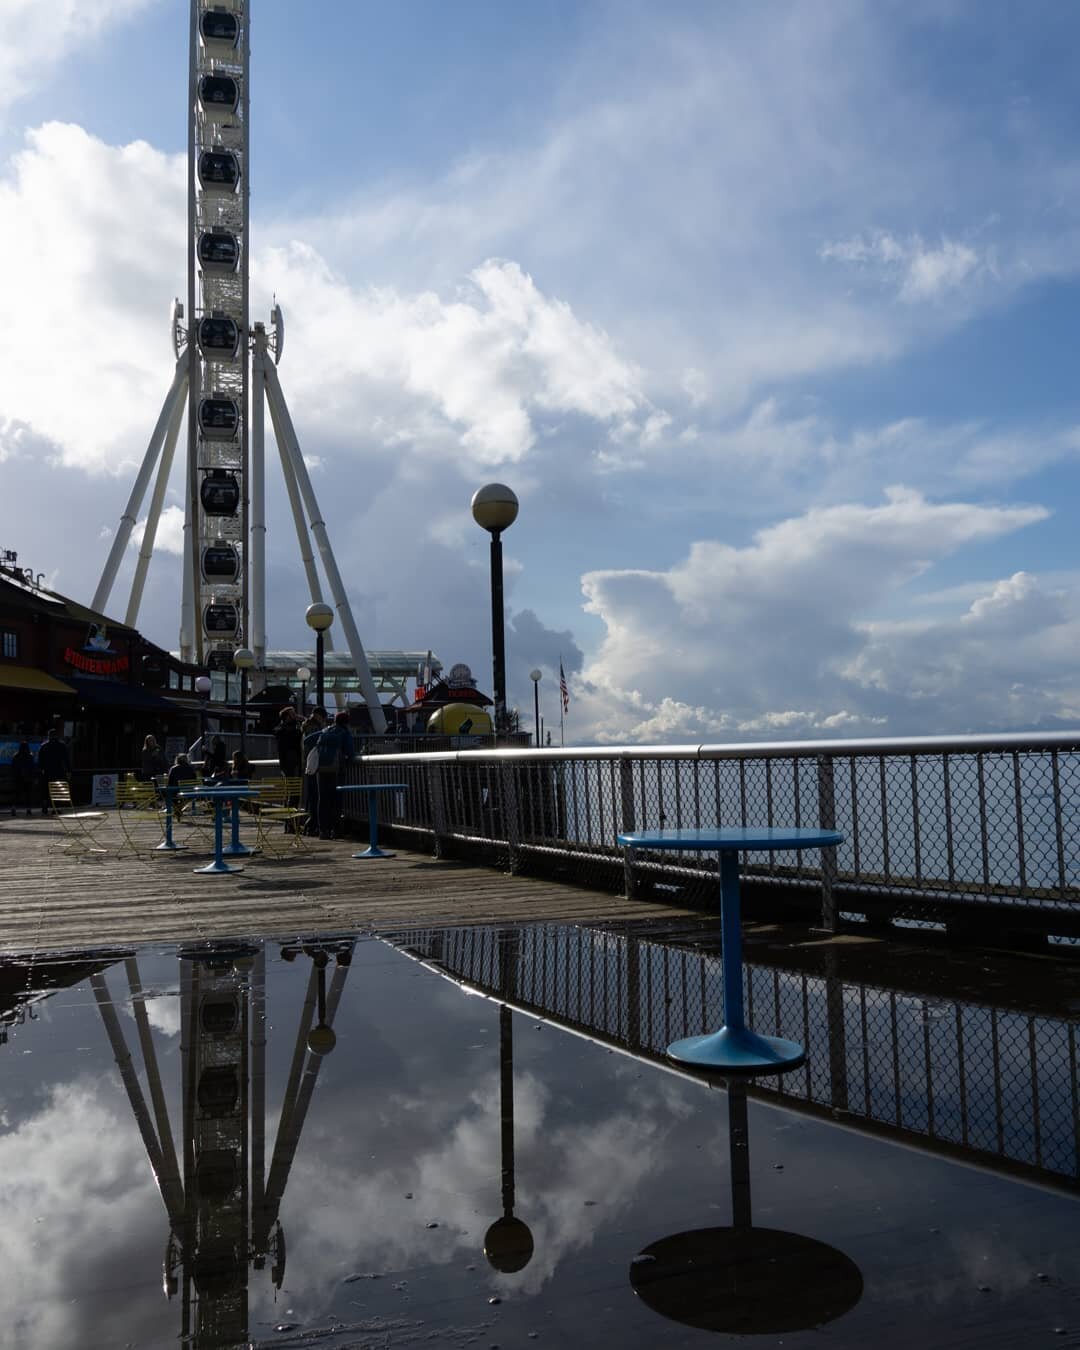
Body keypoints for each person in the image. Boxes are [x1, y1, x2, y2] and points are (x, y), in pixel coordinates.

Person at [315, 710, 355, 839]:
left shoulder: (326, 731)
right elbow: (350, 752)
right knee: (336, 801)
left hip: (321, 769)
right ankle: (336, 830)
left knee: (323, 800)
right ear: (346, 722)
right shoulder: (344, 732)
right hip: (336, 770)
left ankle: (322, 830)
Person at [301, 707, 328, 835]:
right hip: (314, 765)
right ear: (318, 716)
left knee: (312, 796)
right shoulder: (314, 728)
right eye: (322, 717)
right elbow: (317, 742)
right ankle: (313, 824)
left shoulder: (306, 725)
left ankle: (310, 824)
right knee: (316, 796)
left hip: (308, 764)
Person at [36, 729, 70, 807]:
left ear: (49, 736)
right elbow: (66, 759)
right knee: (57, 788)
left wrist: (40, 770)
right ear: (57, 736)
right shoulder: (62, 745)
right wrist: (68, 770)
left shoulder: (44, 746)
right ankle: (56, 806)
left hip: (47, 771)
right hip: (58, 770)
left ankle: (45, 803)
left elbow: (40, 760)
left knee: (46, 789)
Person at [273, 705, 303, 778]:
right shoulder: (283, 730)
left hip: (293, 757)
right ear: (287, 716)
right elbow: (294, 736)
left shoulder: (291, 727)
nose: (295, 716)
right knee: (291, 779)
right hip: (289, 757)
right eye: (293, 714)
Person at [166, 752, 197, 818]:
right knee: (190, 797)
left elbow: (170, 781)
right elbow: (194, 780)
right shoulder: (191, 768)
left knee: (170, 796)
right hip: (189, 791)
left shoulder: (173, 768)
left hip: (175, 791)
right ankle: (179, 808)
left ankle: (177, 809)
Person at [11, 741, 36, 815]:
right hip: (28, 778)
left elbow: (13, 767)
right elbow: (32, 768)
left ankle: (14, 807)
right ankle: (28, 809)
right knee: (28, 794)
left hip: (18, 777)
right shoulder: (30, 756)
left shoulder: (16, 756)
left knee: (17, 794)